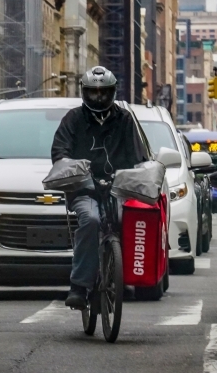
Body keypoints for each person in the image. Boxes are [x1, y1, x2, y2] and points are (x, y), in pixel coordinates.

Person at [51, 66, 149, 310]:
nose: (98, 98)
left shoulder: (125, 119)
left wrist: (139, 173)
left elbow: (139, 157)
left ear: (112, 92)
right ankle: (79, 286)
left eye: (103, 93)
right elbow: (59, 153)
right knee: (92, 220)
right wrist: (75, 171)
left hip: (118, 188)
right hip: (84, 189)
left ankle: (121, 274)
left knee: (130, 220)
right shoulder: (72, 119)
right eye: (93, 93)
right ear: (84, 92)